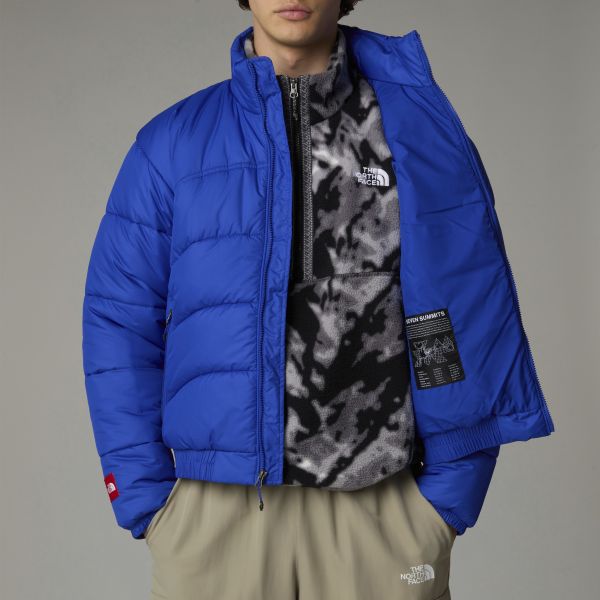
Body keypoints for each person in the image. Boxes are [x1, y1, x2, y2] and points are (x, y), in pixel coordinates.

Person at [81, 1, 555, 598]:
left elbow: (464, 310)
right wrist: (147, 500)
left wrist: (449, 497)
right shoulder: (171, 146)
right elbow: (119, 322)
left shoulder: (414, 131)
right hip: (216, 516)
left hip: (383, 509)